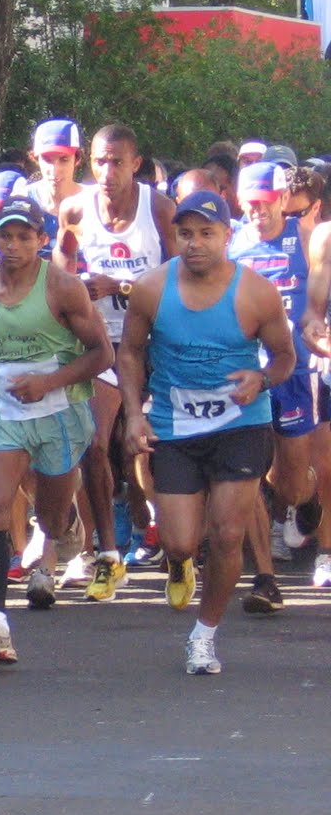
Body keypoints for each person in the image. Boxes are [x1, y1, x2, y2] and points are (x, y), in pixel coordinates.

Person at [118, 190, 295, 675]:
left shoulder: (256, 291)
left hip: (241, 423)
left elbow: (285, 357)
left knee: (227, 533)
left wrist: (261, 377)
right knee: (179, 541)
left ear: (226, 236)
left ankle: (204, 635)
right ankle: (179, 562)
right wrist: (135, 413)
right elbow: (130, 352)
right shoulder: (152, 288)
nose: (194, 243)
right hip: (176, 426)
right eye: (185, 233)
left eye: (206, 233)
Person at [0, 196, 112, 667]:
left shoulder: (64, 288)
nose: (13, 245)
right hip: (2, 412)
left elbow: (102, 355)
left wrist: (47, 382)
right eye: (5, 235)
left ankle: (64, 521)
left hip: (58, 414)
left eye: (24, 236)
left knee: (50, 518)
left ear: (42, 241)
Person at [56, 124, 175, 601]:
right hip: (102, 344)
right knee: (94, 443)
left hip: (155, 340)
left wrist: (122, 287)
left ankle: (173, 539)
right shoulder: (74, 208)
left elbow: (182, 277)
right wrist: (78, 288)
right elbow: (62, 265)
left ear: (136, 163)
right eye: (100, 161)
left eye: (118, 162)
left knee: (151, 448)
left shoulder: (160, 209)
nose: (108, 172)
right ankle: (104, 551)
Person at [227, 161, 319, 613]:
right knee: (248, 469)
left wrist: (315, 323)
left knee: (291, 480)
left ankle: (299, 498)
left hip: (295, 370)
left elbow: (319, 295)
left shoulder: (304, 238)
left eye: (267, 203)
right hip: (248, 372)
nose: (259, 212)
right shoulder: (231, 242)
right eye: (251, 204)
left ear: (284, 199)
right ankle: (265, 565)